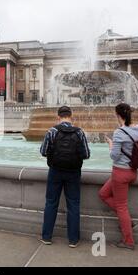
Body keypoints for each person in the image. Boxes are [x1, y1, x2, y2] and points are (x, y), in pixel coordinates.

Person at [39, 106, 90, 248]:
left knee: (51, 203)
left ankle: (46, 237)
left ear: (58, 117)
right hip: (73, 173)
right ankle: (73, 240)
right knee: (73, 204)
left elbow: (43, 151)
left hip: (55, 171)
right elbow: (86, 154)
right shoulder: (79, 132)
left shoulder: (52, 131)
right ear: (71, 116)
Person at [99, 103, 138, 250]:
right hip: (133, 171)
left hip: (121, 173)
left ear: (118, 115)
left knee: (121, 207)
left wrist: (110, 144)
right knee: (103, 193)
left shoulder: (119, 132)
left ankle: (128, 241)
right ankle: (127, 222)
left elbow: (114, 156)